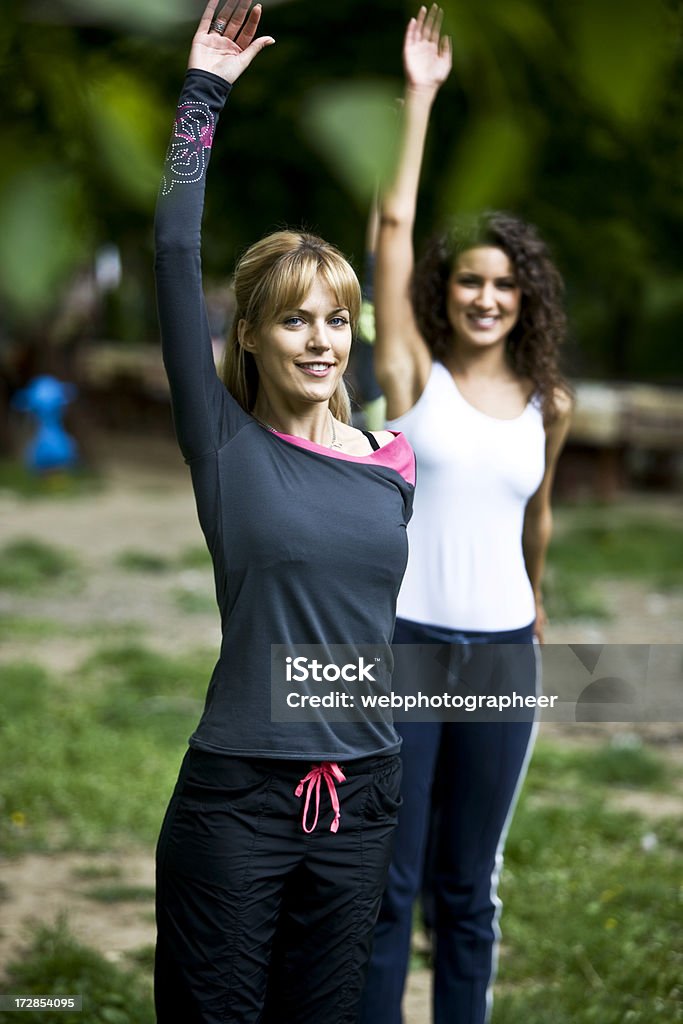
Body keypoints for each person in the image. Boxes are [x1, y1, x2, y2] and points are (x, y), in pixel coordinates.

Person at [152, 2, 416, 1022]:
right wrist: (201, 96)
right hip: (239, 799)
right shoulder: (222, 446)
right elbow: (176, 251)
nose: (320, 339)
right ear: (251, 337)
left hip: (363, 794)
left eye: (335, 319)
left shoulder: (389, 460)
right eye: (293, 318)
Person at [359, 6, 573, 1024]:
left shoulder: (550, 407)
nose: (485, 297)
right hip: (402, 644)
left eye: (502, 283)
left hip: (500, 656)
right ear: (443, 292)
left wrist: (535, 605)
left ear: (521, 297)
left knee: (465, 890)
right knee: (384, 886)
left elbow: (535, 521)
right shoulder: (412, 374)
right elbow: (390, 231)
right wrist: (418, 99)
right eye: (468, 280)